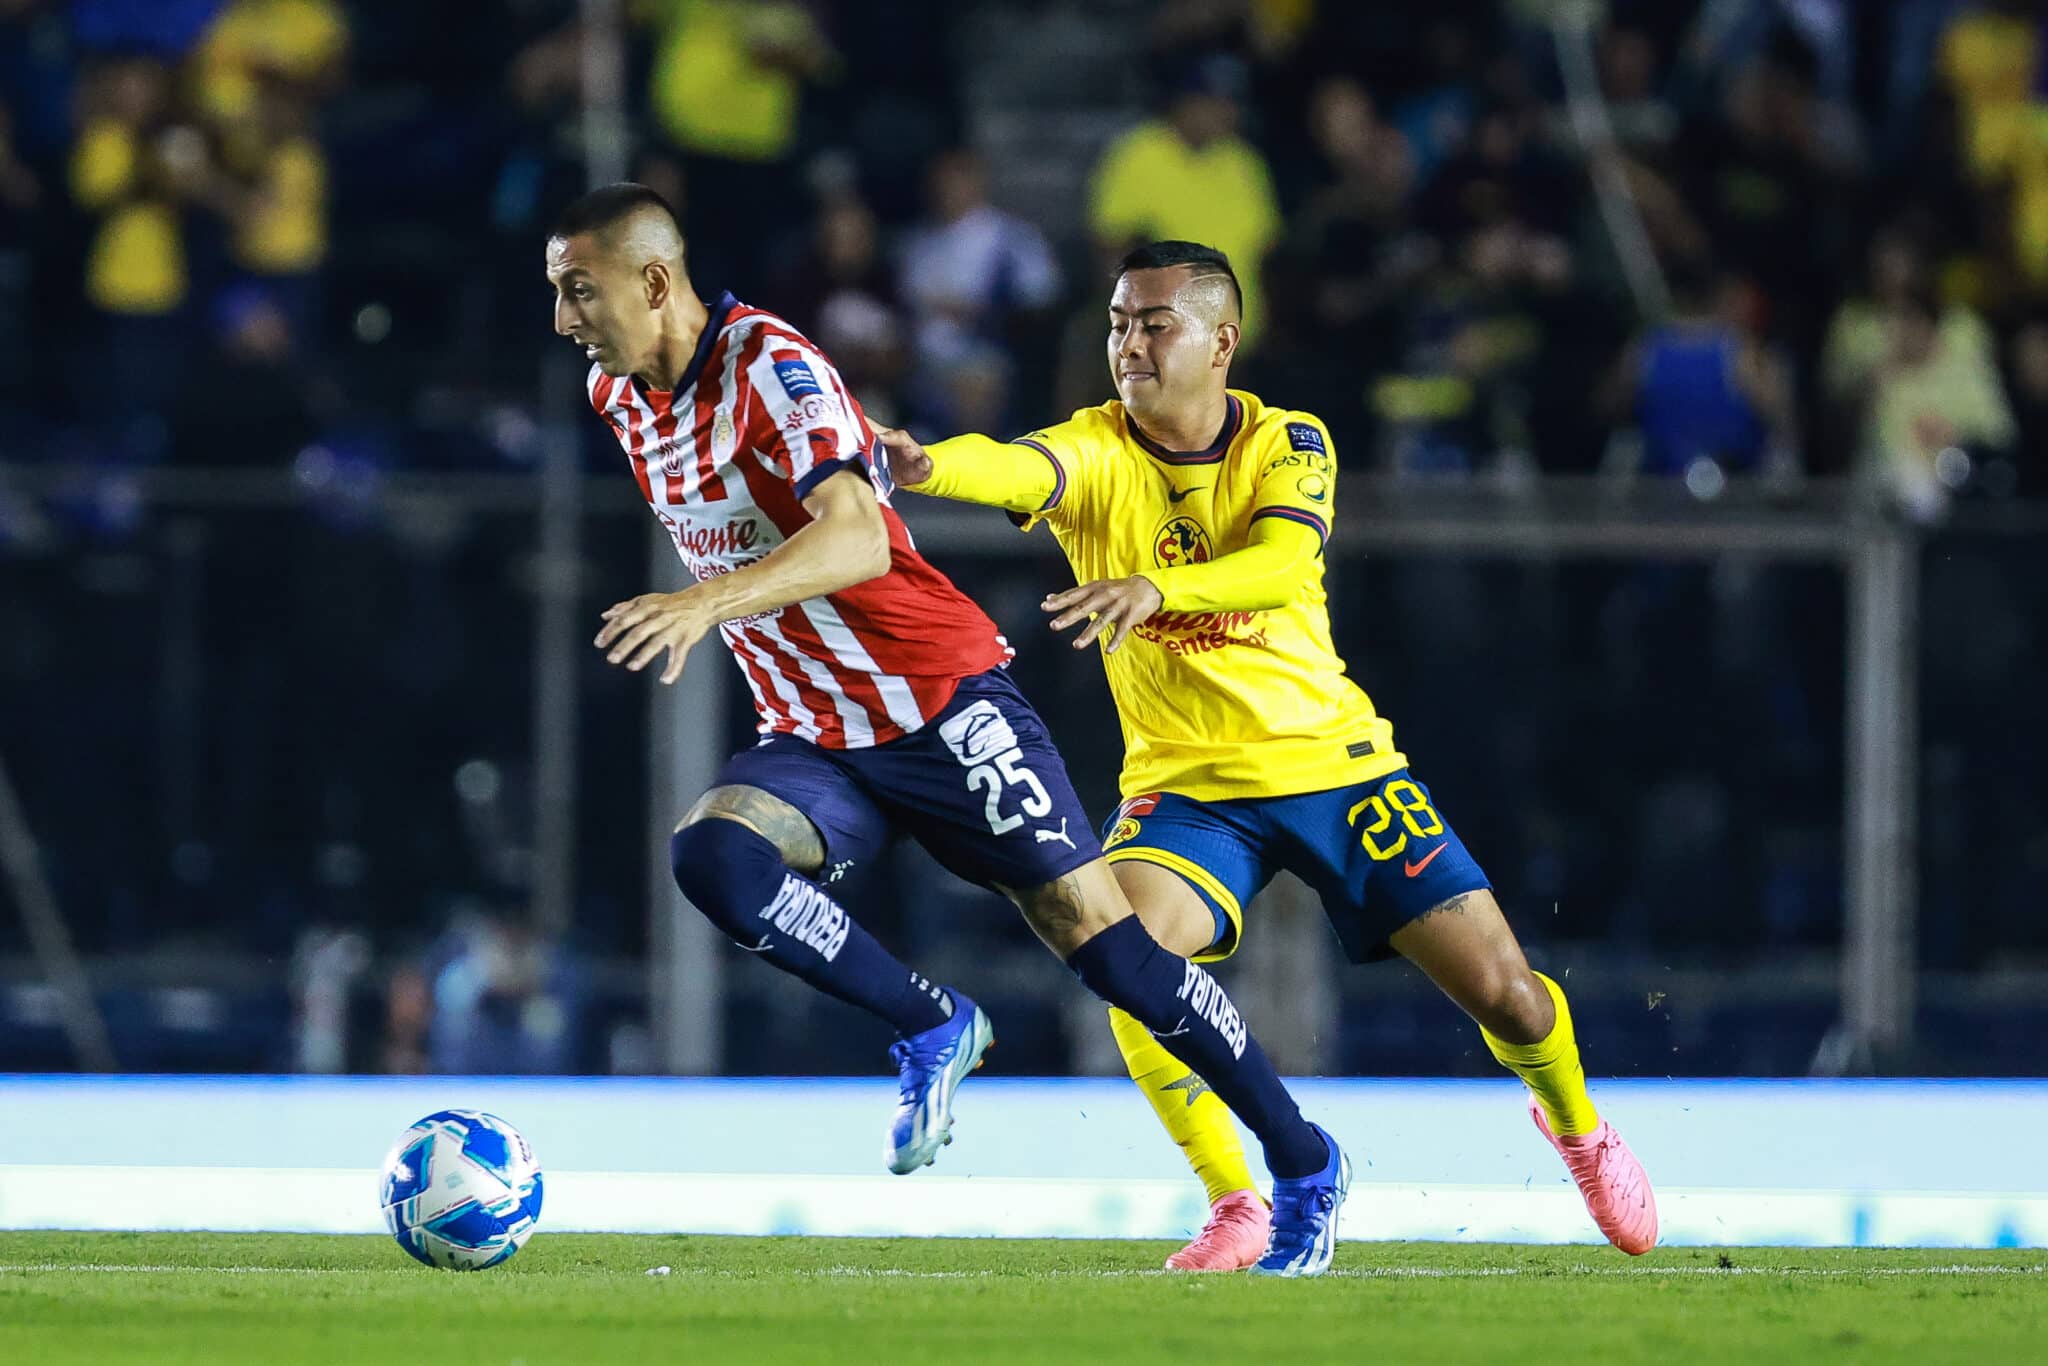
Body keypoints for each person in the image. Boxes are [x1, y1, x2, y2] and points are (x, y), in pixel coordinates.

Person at [544, 187, 1350, 1276]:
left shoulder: (771, 369)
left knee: (1116, 955)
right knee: (714, 858)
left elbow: (860, 540)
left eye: (578, 290)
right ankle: (931, 1021)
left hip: (938, 701)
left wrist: (701, 603)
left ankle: (1302, 1158)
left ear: (653, 281)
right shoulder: (618, 392)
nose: (564, 319)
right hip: (817, 730)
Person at [879, 240, 1658, 1271]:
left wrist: (1157, 588)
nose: (1129, 344)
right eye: (1117, 323)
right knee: (1125, 956)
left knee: (1506, 994)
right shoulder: (1096, 448)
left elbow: (1283, 560)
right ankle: (1234, 1198)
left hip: (1336, 769)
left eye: (1155, 324)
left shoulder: (1288, 440)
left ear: (1221, 342)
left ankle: (1577, 1128)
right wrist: (929, 466)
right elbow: (1017, 464)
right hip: (1189, 789)